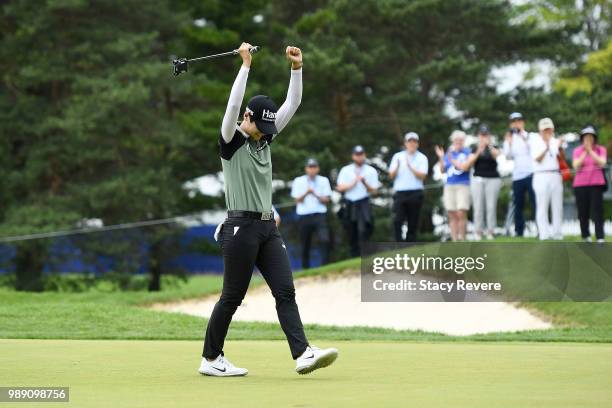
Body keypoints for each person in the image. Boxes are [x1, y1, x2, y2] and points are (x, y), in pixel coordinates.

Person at [200, 43, 338, 377]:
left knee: (285, 291)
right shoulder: (230, 141)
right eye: (262, 125)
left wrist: (297, 68)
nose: (267, 133)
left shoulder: (263, 141)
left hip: (266, 229)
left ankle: (303, 353)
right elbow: (233, 104)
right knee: (232, 297)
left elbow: (293, 103)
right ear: (249, 118)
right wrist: (245, 65)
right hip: (239, 229)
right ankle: (210, 358)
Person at [336, 145, 381, 256]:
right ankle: (354, 255)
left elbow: (374, 192)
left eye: (361, 155)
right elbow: (340, 188)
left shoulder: (371, 171)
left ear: (364, 155)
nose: (359, 157)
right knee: (351, 230)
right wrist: (354, 182)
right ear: (353, 156)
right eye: (357, 155)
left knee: (364, 228)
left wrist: (364, 182)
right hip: (349, 203)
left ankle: (364, 254)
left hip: (364, 202)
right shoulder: (345, 170)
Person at [291, 158, 332, 268]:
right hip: (304, 216)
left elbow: (327, 200)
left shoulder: (324, 180)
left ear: (317, 168)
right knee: (305, 244)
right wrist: (306, 192)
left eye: (314, 167)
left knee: (324, 239)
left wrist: (314, 193)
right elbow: (297, 200)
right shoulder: (298, 181)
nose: (312, 170)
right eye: (310, 167)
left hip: (319, 215)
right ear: (306, 169)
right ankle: (305, 268)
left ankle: (325, 265)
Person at [462, 126, 502, 240]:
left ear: (489, 136)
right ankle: (478, 232)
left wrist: (488, 146)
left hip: (493, 179)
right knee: (478, 206)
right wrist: (479, 150)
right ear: (479, 136)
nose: (484, 137)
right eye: (482, 135)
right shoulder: (474, 147)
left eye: (486, 135)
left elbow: (496, 155)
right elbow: (469, 162)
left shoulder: (493, 146)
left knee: (491, 206)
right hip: (477, 179)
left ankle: (490, 231)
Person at [388, 132, 429, 242]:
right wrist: (397, 167)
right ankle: (398, 245)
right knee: (397, 220)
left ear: (417, 144)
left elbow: (422, 176)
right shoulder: (397, 157)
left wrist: (411, 167)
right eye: (409, 142)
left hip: (416, 192)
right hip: (400, 193)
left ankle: (410, 245)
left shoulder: (422, 158)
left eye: (414, 142)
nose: (412, 144)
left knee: (413, 221)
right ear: (405, 143)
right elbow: (391, 176)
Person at [503, 112, 536, 237]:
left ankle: (540, 229)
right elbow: (508, 156)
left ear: (523, 122)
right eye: (513, 121)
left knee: (535, 203)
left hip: (531, 174)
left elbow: (533, 150)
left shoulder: (530, 136)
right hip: (517, 176)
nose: (516, 123)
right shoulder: (509, 138)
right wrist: (510, 142)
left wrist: (522, 135)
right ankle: (519, 231)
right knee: (518, 205)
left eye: (518, 121)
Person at [572, 125, 607, 242]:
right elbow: (576, 165)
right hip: (580, 185)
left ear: (594, 138)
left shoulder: (600, 149)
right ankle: (585, 236)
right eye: (586, 137)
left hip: (596, 184)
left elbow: (602, 162)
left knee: (597, 211)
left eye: (590, 137)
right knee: (583, 211)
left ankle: (600, 237)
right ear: (582, 138)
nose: (588, 139)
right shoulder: (577, 151)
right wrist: (584, 152)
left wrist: (590, 151)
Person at [530, 117, 563, 240]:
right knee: (542, 205)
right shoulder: (535, 142)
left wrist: (559, 147)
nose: (547, 132)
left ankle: (557, 233)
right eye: (545, 130)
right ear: (540, 131)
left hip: (555, 175)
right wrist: (548, 146)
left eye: (549, 129)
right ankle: (544, 234)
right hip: (540, 175)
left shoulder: (556, 141)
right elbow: (537, 158)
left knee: (557, 205)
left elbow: (561, 159)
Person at [435, 130, 471, 241]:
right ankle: (455, 240)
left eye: (460, 140)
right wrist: (441, 157)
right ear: (453, 141)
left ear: (463, 141)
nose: (458, 142)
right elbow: (442, 170)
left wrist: (452, 160)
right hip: (449, 185)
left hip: (463, 185)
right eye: (456, 140)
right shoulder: (448, 154)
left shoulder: (467, 152)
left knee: (461, 212)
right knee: (452, 213)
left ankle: (463, 239)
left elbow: (465, 167)